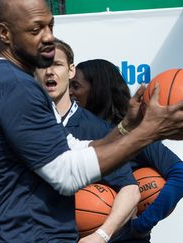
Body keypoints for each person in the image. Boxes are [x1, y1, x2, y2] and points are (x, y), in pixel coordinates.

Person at [0, 0, 183, 242]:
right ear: (4, 33)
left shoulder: (16, 83)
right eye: (35, 30)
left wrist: (128, 128)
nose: (48, 37)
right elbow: (65, 175)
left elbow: (70, 148)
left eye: (50, 26)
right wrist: (149, 132)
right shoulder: (15, 88)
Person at [35, 38, 140, 242]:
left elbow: (131, 189)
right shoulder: (21, 124)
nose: (49, 71)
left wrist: (101, 235)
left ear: (71, 70)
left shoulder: (98, 129)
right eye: (42, 65)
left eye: (56, 64)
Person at [70, 59, 183, 242]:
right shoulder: (74, 129)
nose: (70, 92)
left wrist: (141, 225)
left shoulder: (134, 132)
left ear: (97, 89)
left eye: (75, 86)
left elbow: (180, 175)